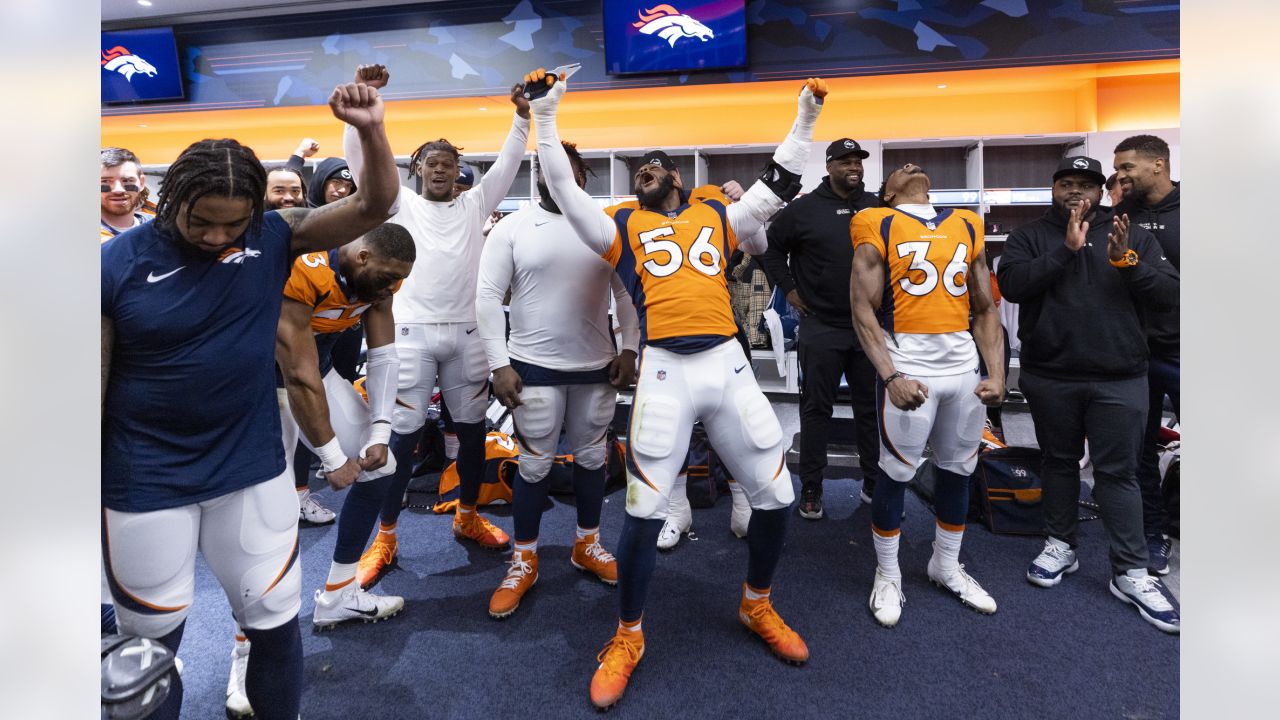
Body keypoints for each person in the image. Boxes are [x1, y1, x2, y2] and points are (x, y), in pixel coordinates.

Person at [528, 67, 828, 709]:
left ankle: (756, 604)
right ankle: (628, 634)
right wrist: (545, 115)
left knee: (775, 495)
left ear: (679, 180)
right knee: (641, 511)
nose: (645, 169)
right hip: (665, 368)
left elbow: (777, 184)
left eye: (657, 166)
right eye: (640, 166)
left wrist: (805, 120)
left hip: (726, 362)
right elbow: (560, 184)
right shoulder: (619, 226)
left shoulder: (718, 214)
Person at [101, 80, 400, 720]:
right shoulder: (115, 264)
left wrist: (372, 128)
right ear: (169, 199)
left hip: (249, 468)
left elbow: (375, 205)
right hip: (146, 478)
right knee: (150, 649)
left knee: (273, 622)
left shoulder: (271, 236)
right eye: (200, 221)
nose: (216, 237)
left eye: (232, 224)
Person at [343, 64, 531, 588]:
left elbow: (510, 165)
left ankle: (468, 513)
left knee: (471, 432)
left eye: (449, 163)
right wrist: (363, 112)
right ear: (417, 168)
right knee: (400, 437)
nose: (441, 169)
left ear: (459, 170)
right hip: (410, 334)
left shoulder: (476, 205)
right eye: (431, 162)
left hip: (468, 334)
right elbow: (361, 165)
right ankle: (385, 533)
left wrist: (521, 118)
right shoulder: (398, 204)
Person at [225, 223, 415, 718]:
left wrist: (377, 432)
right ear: (360, 255)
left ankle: (339, 592)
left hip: (320, 370)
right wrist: (332, 458)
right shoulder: (305, 269)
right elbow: (296, 371)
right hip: (258, 380)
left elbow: (385, 357)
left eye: (400, 280)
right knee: (266, 515)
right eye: (388, 276)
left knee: (382, 467)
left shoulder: (379, 277)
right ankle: (245, 652)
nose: (393, 287)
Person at [997, 156, 1180, 634]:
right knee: (1057, 461)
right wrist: (1065, 251)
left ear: (1101, 190)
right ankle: (1062, 544)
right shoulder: (1030, 236)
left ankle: (1130, 571)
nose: (1075, 191)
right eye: (1066, 183)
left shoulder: (1132, 233)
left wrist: (1129, 262)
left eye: (1085, 184)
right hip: (1051, 374)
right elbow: (1013, 286)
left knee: (1118, 473)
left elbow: (1170, 293)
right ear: (1053, 188)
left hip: (1120, 376)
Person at [475, 142, 640, 619]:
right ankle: (524, 558)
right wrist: (498, 364)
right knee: (533, 465)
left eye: (565, 167)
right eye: (547, 167)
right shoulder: (512, 227)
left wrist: (630, 348)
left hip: (596, 366)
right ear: (536, 174)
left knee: (593, 457)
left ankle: (587, 544)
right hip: (532, 366)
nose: (555, 174)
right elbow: (487, 297)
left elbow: (626, 293)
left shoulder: (605, 227)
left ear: (581, 175)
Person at [849, 163, 1005, 628]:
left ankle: (946, 564)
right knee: (895, 473)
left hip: (962, 367)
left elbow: (985, 307)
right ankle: (888, 571)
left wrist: (996, 372)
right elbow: (862, 308)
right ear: (888, 193)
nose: (909, 166)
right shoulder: (875, 221)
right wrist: (891, 375)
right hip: (910, 365)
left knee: (959, 471)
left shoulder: (966, 222)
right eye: (897, 170)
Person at [759, 137, 882, 519]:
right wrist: (790, 289)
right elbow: (769, 249)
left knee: (871, 410)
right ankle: (812, 486)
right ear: (828, 167)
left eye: (858, 160)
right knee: (816, 410)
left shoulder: (877, 205)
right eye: (845, 161)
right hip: (822, 325)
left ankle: (873, 482)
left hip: (869, 329)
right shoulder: (804, 209)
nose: (854, 167)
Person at [1113, 134, 1180, 574]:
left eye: (1127, 168)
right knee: (1140, 455)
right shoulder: (1120, 217)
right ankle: (1152, 536)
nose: (1119, 176)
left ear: (1158, 165)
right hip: (1138, 354)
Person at [100, 147, 154, 243]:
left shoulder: (163, 229)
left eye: (127, 180)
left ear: (141, 183)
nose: (118, 190)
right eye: (105, 181)